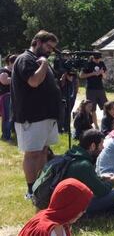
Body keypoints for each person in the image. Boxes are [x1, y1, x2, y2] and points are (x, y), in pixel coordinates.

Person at [11, 30, 61, 199]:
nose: (50, 51)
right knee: (32, 153)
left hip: (46, 116)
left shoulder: (39, 60)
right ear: (38, 42)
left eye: (53, 49)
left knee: (43, 151)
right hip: (31, 117)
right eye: (49, 47)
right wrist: (45, 64)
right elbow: (33, 81)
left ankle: (41, 186)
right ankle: (31, 190)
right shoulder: (25, 59)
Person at [63, 129, 114, 215]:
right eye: (101, 145)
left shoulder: (72, 156)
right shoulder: (84, 164)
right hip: (70, 207)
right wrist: (112, 181)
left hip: (63, 202)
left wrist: (103, 178)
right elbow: (102, 191)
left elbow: (88, 180)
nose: (103, 148)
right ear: (92, 146)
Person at [19, 178, 93, 236]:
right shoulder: (42, 230)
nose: (84, 211)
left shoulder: (62, 223)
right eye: (81, 208)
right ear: (68, 208)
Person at [79, 53, 107, 129]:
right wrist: (93, 73)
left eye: (99, 59)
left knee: (106, 107)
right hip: (90, 89)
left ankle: (105, 125)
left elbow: (105, 77)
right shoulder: (88, 64)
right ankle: (96, 126)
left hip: (100, 88)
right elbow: (81, 75)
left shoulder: (102, 63)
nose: (98, 60)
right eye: (96, 59)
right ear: (93, 58)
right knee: (93, 109)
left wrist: (102, 73)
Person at [0, 54, 17, 140]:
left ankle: (12, 133)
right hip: (6, 96)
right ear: (10, 62)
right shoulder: (4, 70)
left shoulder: (15, 71)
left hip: (14, 95)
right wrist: (17, 78)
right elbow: (4, 81)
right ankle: (6, 136)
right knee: (7, 117)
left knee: (14, 116)